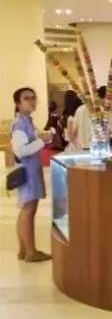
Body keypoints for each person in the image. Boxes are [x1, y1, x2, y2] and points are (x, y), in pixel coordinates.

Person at [10, 87, 53, 262]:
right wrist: (42, 141)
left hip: (31, 170)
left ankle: (23, 250)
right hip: (27, 172)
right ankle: (31, 252)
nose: (31, 101)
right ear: (18, 103)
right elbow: (21, 151)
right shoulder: (19, 124)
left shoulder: (27, 121)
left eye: (33, 98)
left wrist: (41, 138)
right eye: (26, 98)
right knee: (29, 209)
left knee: (26, 209)